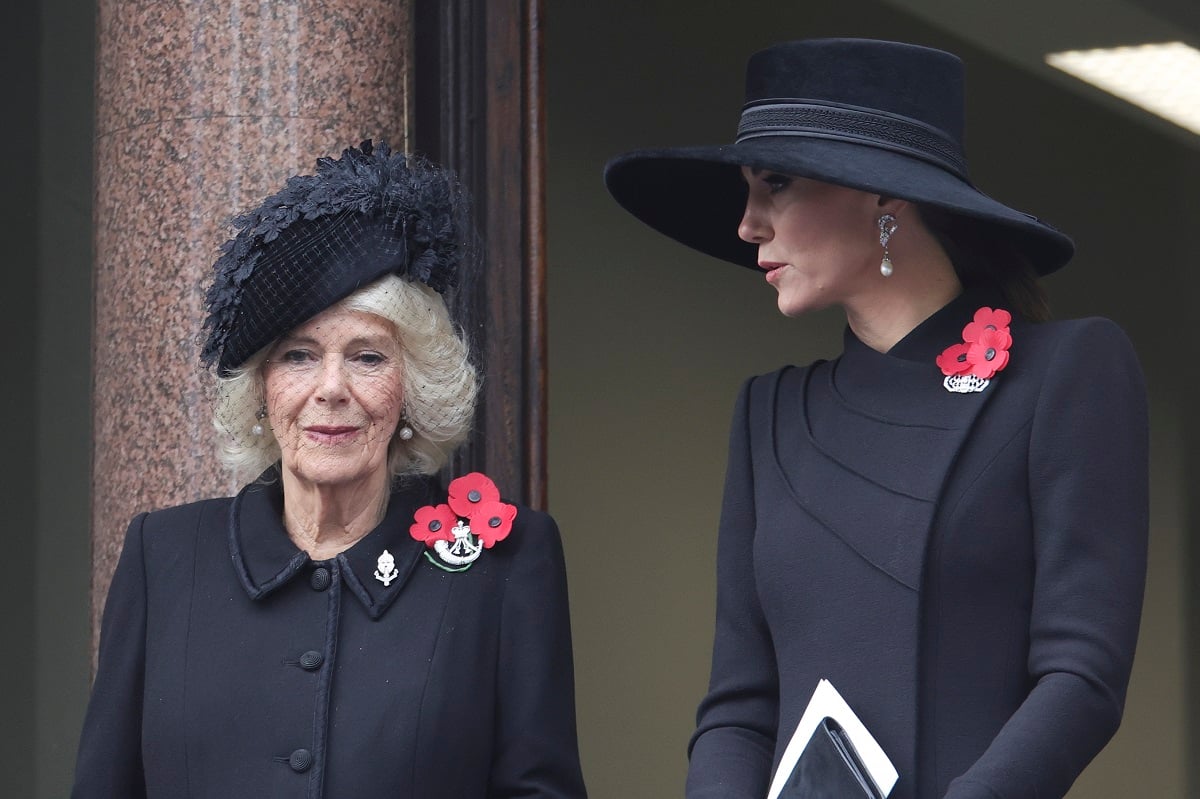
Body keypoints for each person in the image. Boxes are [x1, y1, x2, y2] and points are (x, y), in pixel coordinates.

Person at [604, 38, 1147, 799]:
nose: (747, 224)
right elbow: (739, 705)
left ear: (885, 198)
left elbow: (1082, 674)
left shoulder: (1065, 373)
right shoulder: (768, 415)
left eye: (777, 184)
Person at [73, 140, 588, 798]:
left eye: (368, 356)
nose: (331, 388)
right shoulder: (164, 557)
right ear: (262, 389)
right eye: (298, 356)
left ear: (412, 386)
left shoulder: (506, 567)